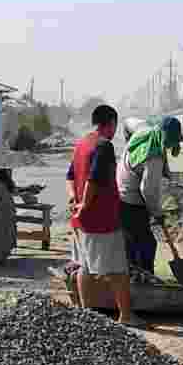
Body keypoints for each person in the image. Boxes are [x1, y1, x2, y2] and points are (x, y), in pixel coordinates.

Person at [65, 104, 148, 330]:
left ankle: (86, 314)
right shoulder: (104, 146)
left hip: (80, 221)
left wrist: (74, 199)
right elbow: (94, 179)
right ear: (110, 123)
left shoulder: (82, 144)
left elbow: (70, 175)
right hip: (101, 219)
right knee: (118, 270)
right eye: (114, 125)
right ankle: (126, 315)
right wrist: (86, 203)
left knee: (85, 266)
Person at [117, 116, 183, 274]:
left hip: (121, 196)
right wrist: (157, 212)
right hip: (132, 201)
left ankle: (132, 277)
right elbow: (147, 189)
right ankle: (144, 279)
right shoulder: (154, 155)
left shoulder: (144, 130)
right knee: (146, 245)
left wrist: (127, 139)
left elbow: (129, 121)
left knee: (132, 244)